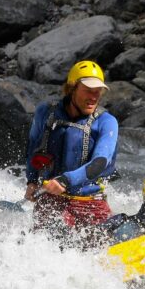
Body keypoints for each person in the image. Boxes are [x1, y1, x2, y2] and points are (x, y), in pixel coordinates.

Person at [24, 60, 118, 243]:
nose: (94, 96)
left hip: (90, 202)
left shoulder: (107, 122)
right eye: (88, 90)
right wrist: (32, 181)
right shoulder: (46, 112)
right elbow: (33, 148)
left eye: (97, 91)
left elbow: (100, 163)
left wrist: (66, 180)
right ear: (72, 88)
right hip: (50, 199)